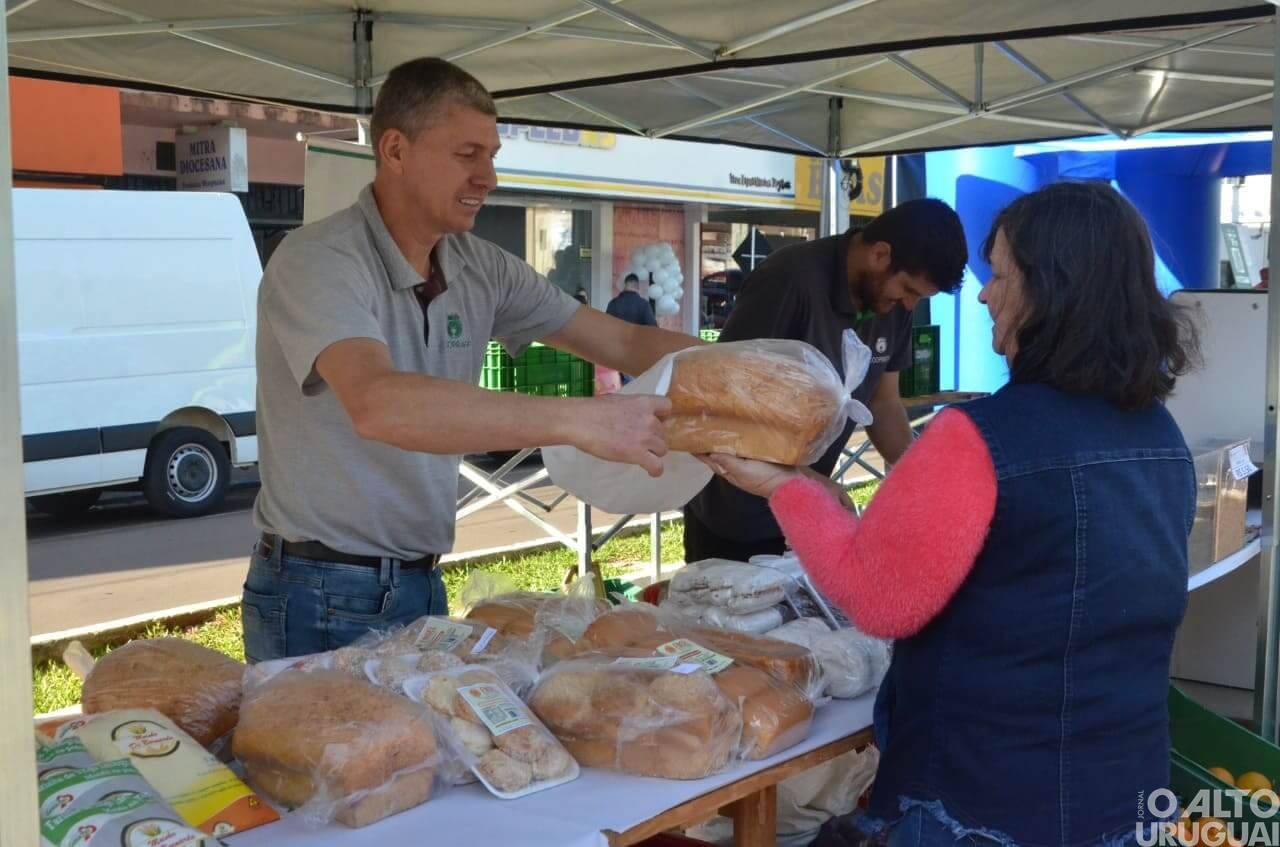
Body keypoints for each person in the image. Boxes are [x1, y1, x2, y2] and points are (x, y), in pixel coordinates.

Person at [703, 181, 1199, 846]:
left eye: (1001, 276)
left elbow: (876, 597)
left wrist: (787, 488)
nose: (987, 296)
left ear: (1050, 290)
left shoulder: (978, 438)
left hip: (980, 801)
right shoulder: (1162, 436)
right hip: (1126, 795)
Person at [244, 57, 699, 662]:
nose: (488, 177)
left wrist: (756, 368)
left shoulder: (479, 266)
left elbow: (625, 343)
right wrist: (582, 420)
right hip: (319, 589)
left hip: (421, 579)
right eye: (467, 155)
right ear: (395, 149)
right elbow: (377, 403)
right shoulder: (318, 260)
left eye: (492, 155)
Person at [682, 199, 968, 564]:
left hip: (807, 514)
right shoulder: (788, 280)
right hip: (735, 515)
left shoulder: (894, 306)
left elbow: (883, 403)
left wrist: (922, 477)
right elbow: (726, 406)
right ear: (880, 255)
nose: (910, 305)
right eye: (908, 290)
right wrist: (808, 481)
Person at [605, 273, 659, 385]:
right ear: (637, 286)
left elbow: (605, 328)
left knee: (617, 386)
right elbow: (653, 330)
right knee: (635, 386)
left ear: (625, 285)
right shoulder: (643, 305)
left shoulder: (613, 304)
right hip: (636, 355)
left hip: (615, 354)